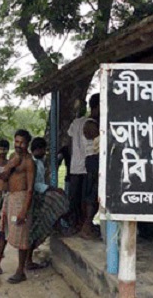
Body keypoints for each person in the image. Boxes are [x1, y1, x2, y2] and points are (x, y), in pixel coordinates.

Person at [0, 129, 35, 284]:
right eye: (17, 142)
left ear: (27, 144)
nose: (18, 145)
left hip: (21, 198)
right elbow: (5, 176)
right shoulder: (13, 157)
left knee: (21, 235)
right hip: (9, 197)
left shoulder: (29, 162)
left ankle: (21, 271)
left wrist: (24, 211)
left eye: (22, 143)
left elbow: (30, 189)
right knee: (2, 231)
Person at [26, 137, 69, 270]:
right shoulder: (32, 163)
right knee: (35, 227)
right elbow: (35, 184)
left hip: (39, 194)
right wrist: (52, 189)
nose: (45, 152)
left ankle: (56, 225)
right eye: (43, 150)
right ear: (38, 149)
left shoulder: (39, 162)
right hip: (35, 197)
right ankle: (27, 260)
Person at [67, 94, 101, 239]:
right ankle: (86, 227)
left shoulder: (77, 122)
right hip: (89, 164)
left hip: (76, 165)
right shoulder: (92, 124)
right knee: (90, 197)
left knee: (79, 198)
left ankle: (80, 226)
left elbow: (69, 143)